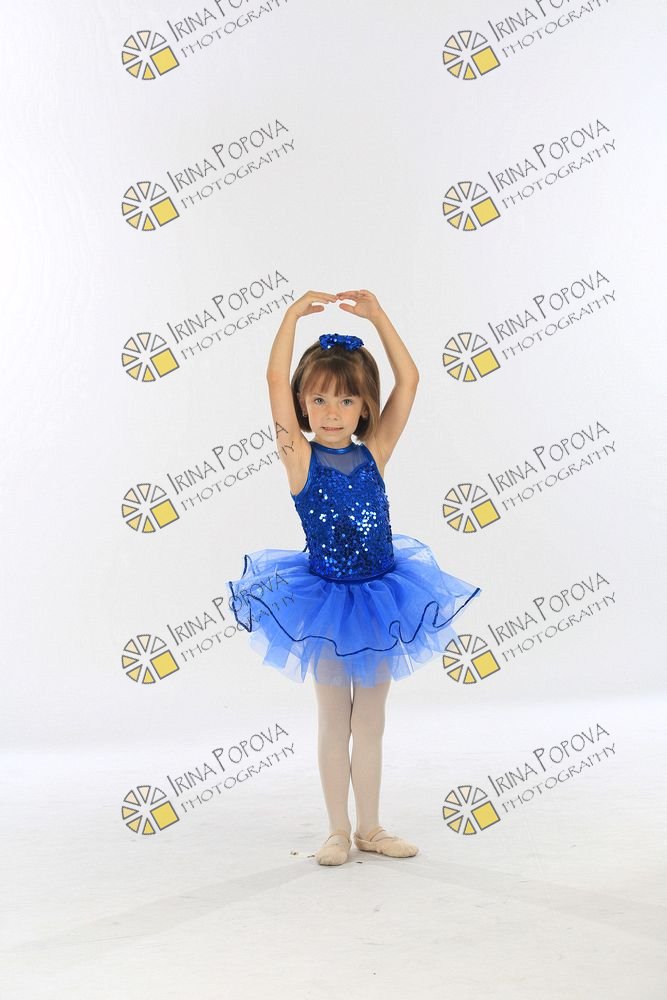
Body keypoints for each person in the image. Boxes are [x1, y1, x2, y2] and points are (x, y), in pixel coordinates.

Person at [226, 289, 482, 866]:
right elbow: (273, 381)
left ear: (365, 405)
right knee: (331, 719)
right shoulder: (298, 458)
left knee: (370, 721)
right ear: (301, 403)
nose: (332, 412)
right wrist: (291, 317)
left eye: (346, 400)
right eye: (318, 399)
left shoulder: (376, 451)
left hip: (381, 598)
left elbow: (409, 380)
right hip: (324, 605)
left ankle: (370, 826)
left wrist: (379, 317)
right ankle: (337, 831)